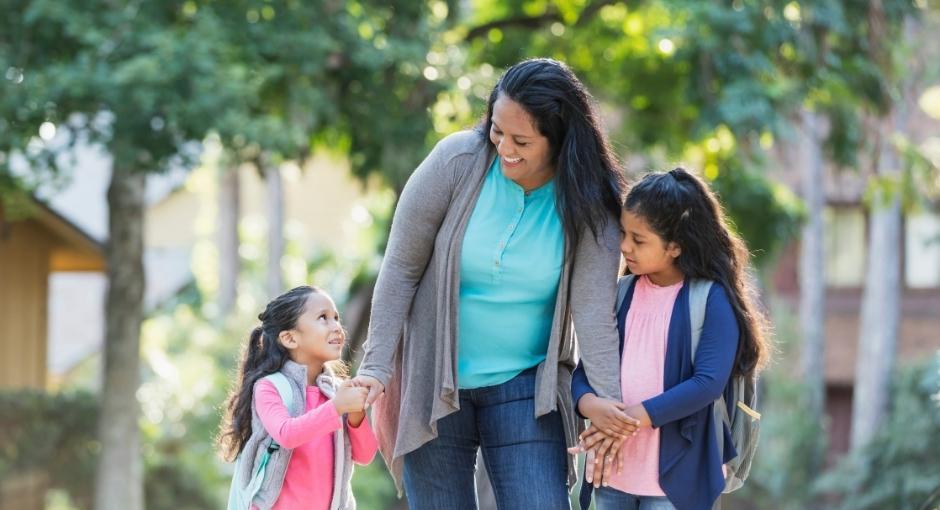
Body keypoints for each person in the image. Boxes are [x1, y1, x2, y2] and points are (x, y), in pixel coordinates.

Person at [351, 58, 630, 509]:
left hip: (525, 387)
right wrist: (376, 368)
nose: (504, 148)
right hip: (435, 379)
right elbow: (401, 267)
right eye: (498, 131)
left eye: (522, 140)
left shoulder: (592, 206)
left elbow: (595, 313)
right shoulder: (457, 160)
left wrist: (608, 408)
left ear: (560, 142)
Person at [570, 168, 770, 510]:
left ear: (675, 245)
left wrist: (626, 420)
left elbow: (706, 383)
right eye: (623, 233)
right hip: (613, 477)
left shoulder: (712, 299)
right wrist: (591, 406)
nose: (624, 246)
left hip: (676, 483)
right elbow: (585, 368)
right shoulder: (621, 293)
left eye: (638, 239)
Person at [219, 286, 378, 509]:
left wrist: (355, 413)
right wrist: (337, 407)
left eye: (336, 318)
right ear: (290, 338)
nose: (337, 327)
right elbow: (287, 434)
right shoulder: (270, 387)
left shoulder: (336, 392)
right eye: (323, 318)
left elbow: (365, 455)